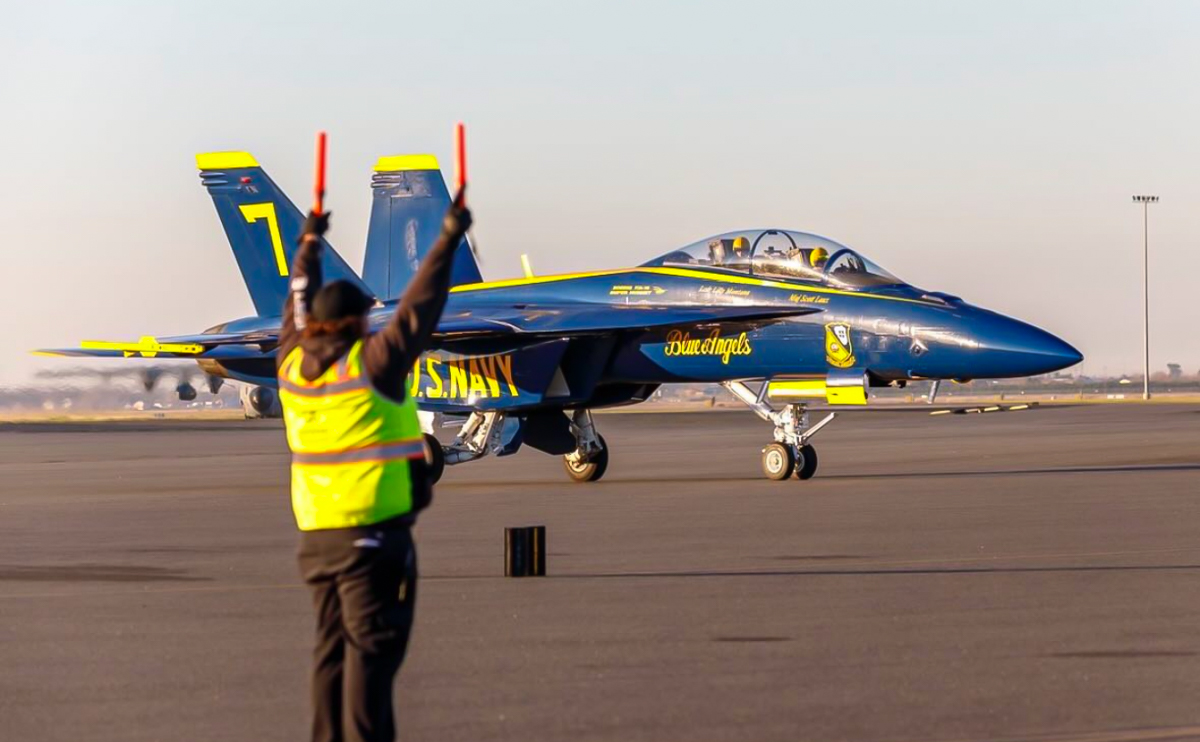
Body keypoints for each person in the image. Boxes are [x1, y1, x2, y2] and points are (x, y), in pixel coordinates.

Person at [277, 191, 472, 742]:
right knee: (372, 657)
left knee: (330, 652)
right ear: (358, 321)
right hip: (373, 539)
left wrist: (309, 245)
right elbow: (420, 307)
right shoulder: (372, 364)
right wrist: (449, 237)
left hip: (317, 538)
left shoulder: (291, 362)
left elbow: (295, 302)